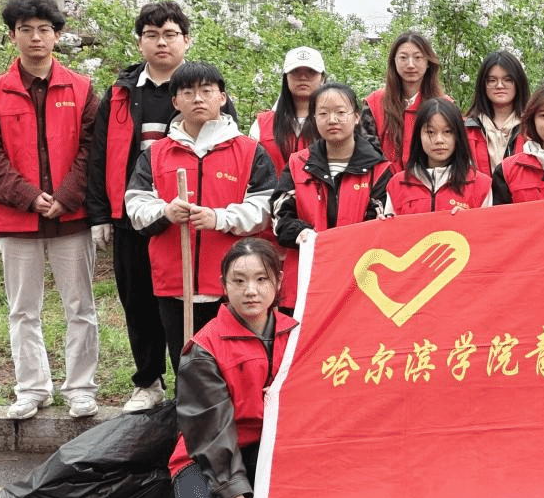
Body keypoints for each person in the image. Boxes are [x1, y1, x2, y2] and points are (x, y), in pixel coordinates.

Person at [87, 0, 238, 413]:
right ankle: (148, 379)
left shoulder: (206, 88)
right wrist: (101, 213)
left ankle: (200, 384)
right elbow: (99, 154)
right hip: (136, 214)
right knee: (137, 299)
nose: (161, 43)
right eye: (151, 35)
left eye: (170, 34)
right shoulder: (122, 93)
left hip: (193, 216)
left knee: (190, 301)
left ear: (186, 40)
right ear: (140, 42)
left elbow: (232, 149)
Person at [0, 0, 100, 420]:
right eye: (26, 30)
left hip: (71, 216)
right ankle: (32, 388)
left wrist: (67, 196)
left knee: (81, 307)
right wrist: (27, 196)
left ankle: (81, 388)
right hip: (16, 218)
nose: (35, 37)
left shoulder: (81, 89)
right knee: (23, 310)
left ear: (57, 36)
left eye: (44, 29)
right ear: (12, 36)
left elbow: (93, 149)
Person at [125, 62, 276, 375]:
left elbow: (264, 208)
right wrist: (165, 212)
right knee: (186, 365)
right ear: (175, 101)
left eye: (207, 91)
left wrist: (218, 218)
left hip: (233, 285)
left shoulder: (250, 152)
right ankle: (186, 408)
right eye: (188, 92)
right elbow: (136, 205)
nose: (197, 99)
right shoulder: (156, 154)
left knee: (235, 366)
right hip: (175, 282)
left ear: (222, 97)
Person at [168, 238, 305, 498]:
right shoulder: (204, 347)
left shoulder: (299, 336)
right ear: (224, 285)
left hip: (273, 450)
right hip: (206, 453)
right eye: (239, 281)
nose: (250, 291)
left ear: (278, 282)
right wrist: (230, 491)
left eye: (261, 279)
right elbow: (210, 431)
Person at [272, 83, 393, 288]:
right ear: (314, 119)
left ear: (356, 117)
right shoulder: (297, 164)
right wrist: (300, 232)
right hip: (305, 276)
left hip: (358, 280)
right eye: (323, 113)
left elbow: (379, 224)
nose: (332, 120)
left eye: (340, 112)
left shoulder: (379, 169)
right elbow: (279, 214)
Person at [384, 97, 493, 215]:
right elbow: (391, 226)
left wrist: (469, 220)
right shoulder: (397, 184)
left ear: (459, 135)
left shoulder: (481, 185)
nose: (439, 140)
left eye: (447, 132)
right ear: (418, 136)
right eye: (430, 132)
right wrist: (384, 221)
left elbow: (488, 226)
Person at [366, 31, 447, 171]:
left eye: (418, 57)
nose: (410, 65)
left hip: (430, 180)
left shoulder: (444, 105)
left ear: (428, 62)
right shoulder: (374, 103)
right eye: (403, 57)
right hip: (383, 181)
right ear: (394, 61)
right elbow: (366, 150)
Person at [249, 46, 327, 174]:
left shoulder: (333, 122)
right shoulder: (262, 124)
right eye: (295, 72)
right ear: (286, 77)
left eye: (311, 72)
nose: (303, 77)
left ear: (322, 78)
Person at [464, 50, 530, 175]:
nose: (499, 85)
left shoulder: (532, 128)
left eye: (508, 80)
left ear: (518, 83)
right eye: (492, 80)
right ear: (483, 85)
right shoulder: (466, 128)